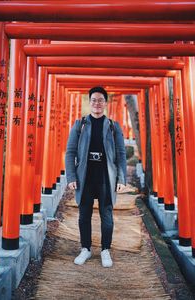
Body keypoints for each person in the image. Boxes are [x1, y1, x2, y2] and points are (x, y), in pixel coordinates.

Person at [65, 86, 127, 268]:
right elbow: (70, 152)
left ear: (105, 103)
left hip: (106, 177)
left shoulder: (113, 127)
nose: (97, 103)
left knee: (106, 215)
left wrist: (121, 179)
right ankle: (85, 248)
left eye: (100, 100)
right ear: (89, 102)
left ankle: (105, 250)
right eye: (94, 100)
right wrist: (71, 177)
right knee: (84, 215)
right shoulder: (80, 125)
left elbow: (121, 154)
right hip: (85, 177)